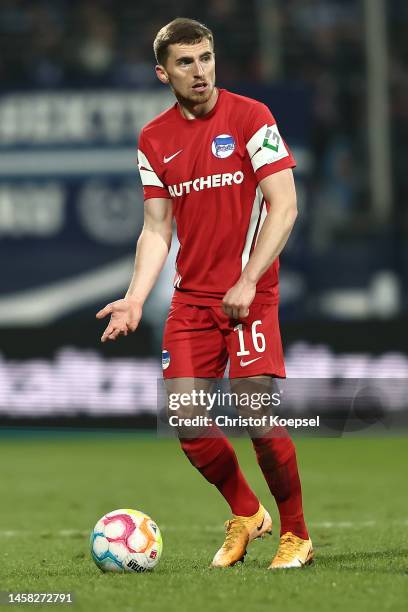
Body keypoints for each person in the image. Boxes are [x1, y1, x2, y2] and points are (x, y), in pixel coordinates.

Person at [97, 17, 313, 570]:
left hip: (251, 296)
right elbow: (156, 228)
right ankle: (247, 513)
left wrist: (248, 279)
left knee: (257, 415)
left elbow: (284, 206)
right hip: (192, 301)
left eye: (206, 58)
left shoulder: (252, 118)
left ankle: (297, 535)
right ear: (162, 72)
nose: (200, 71)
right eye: (185, 62)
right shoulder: (154, 138)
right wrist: (135, 297)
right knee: (188, 420)